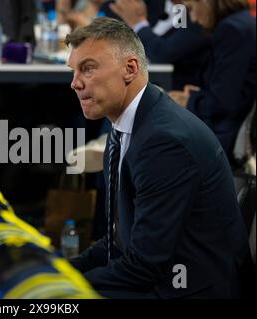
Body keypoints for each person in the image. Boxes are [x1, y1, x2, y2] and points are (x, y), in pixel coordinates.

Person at [66, 17, 248, 298]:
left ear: (130, 69)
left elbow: (143, 266)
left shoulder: (163, 142)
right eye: (74, 71)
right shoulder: (129, 127)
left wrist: (60, 288)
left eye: (87, 69)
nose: (75, 83)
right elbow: (118, 242)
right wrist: (60, 270)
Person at [169, 0, 256, 166]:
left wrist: (187, 101)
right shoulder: (243, 22)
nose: (193, 19)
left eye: (192, 9)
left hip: (223, 139)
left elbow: (223, 103)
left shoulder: (232, 29)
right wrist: (197, 95)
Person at [109, 0, 211, 90]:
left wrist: (138, 24)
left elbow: (164, 52)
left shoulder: (200, 14)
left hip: (179, 94)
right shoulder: (150, 4)